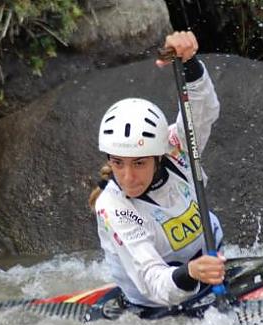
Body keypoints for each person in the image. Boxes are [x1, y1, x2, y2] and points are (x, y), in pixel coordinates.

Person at [88, 31, 226, 308]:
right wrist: (191, 273)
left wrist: (189, 63)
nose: (127, 177)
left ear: (159, 156)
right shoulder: (114, 206)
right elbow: (152, 280)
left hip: (213, 272)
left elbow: (203, 112)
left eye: (139, 163)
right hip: (158, 304)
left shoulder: (176, 149)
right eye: (118, 163)